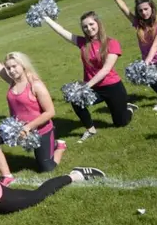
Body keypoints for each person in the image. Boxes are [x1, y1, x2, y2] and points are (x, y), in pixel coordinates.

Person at [42, 12, 138, 143]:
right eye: (85, 26)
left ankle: (129, 108)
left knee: (121, 123)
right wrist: (46, 19)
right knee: (76, 99)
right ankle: (90, 129)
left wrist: (86, 86)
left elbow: (105, 70)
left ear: (98, 23)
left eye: (91, 24)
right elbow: (62, 32)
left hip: (112, 86)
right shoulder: (83, 43)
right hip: (94, 88)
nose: (89, 28)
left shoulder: (112, 43)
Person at [0, 48, 66, 186]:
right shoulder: (11, 80)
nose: (11, 70)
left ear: (23, 65)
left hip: (39, 131)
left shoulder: (35, 85)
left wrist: (28, 127)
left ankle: (60, 146)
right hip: (16, 129)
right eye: (8, 68)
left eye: (14, 66)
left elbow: (50, 112)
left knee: (47, 168)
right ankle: (7, 176)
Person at [110, 0, 157, 111]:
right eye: (140, 10)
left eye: (146, 9)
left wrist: (147, 62)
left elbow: (155, 45)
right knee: (156, 78)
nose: (144, 12)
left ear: (152, 9)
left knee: (150, 72)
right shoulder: (139, 25)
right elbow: (124, 9)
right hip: (150, 62)